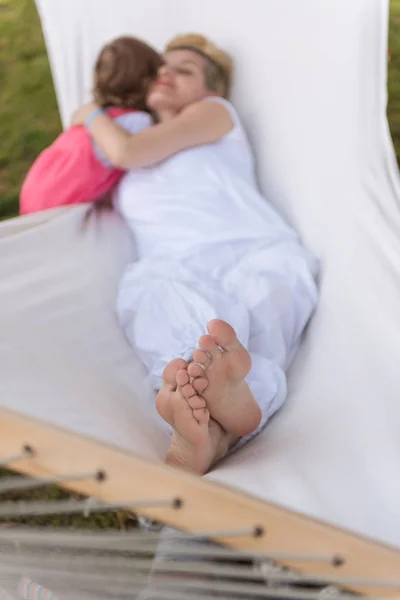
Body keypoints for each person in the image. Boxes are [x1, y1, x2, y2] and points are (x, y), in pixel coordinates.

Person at [71, 33, 319, 476]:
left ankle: (220, 400)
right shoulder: (128, 128)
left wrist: (90, 112)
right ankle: (211, 429)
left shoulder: (213, 114)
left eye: (184, 70)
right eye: (159, 68)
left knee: (255, 316)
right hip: (172, 264)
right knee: (160, 309)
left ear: (213, 89)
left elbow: (127, 153)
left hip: (250, 248)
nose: (165, 73)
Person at [20, 36, 162, 215]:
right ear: (147, 80)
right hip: (59, 207)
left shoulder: (93, 117)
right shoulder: (136, 122)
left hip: (35, 194)